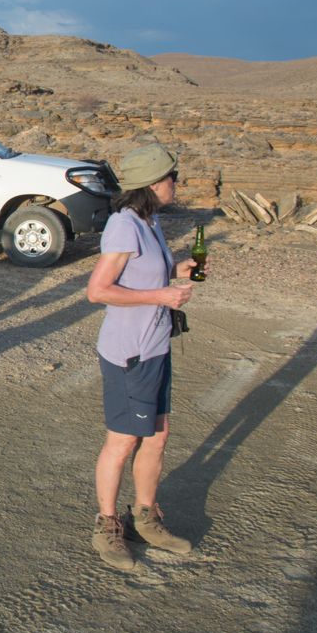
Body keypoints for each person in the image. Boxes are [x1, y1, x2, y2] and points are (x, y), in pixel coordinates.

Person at [84, 143, 205, 570]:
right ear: (154, 183)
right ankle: (107, 525)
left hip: (155, 346)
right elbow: (98, 290)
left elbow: (144, 273)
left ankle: (145, 518)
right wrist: (162, 294)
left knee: (157, 436)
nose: (177, 182)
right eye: (173, 176)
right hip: (129, 353)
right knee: (123, 442)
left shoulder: (149, 222)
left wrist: (176, 272)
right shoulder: (124, 226)